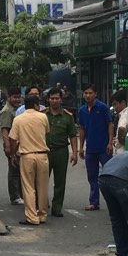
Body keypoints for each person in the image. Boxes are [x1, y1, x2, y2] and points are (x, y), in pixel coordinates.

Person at [9, 94, 51, 225]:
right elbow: (46, 132)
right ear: (35, 105)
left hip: (27, 156)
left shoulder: (18, 119)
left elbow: (13, 139)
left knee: (29, 187)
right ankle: (42, 215)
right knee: (42, 187)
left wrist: (13, 154)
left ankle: (32, 217)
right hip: (42, 155)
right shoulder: (43, 117)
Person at [78, 84, 114, 211]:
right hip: (91, 149)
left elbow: (110, 124)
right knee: (92, 177)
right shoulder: (82, 110)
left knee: (110, 175)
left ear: (95, 94)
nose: (88, 95)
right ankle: (94, 202)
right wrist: (81, 147)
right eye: (86, 93)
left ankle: (114, 201)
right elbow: (82, 129)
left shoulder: (103, 108)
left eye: (90, 93)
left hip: (104, 148)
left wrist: (110, 143)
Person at [44, 88, 78, 218]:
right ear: (48, 99)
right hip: (45, 151)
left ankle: (57, 208)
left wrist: (75, 153)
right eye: (52, 98)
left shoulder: (67, 116)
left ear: (61, 99)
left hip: (61, 151)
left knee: (60, 182)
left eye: (57, 98)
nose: (54, 101)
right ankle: (42, 205)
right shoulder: (42, 115)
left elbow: (73, 136)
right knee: (42, 180)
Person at [0, 87, 23, 205]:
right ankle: (14, 196)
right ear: (9, 97)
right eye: (15, 97)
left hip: (19, 144)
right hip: (11, 145)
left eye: (19, 97)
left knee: (19, 170)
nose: (17, 99)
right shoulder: (7, 111)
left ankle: (20, 194)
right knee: (14, 170)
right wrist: (8, 147)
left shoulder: (18, 109)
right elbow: (5, 130)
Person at [111, 89, 128, 155]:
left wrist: (120, 141)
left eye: (115, 104)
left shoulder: (124, 114)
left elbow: (121, 128)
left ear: (123, 102)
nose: (114, 107)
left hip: (121, 152)